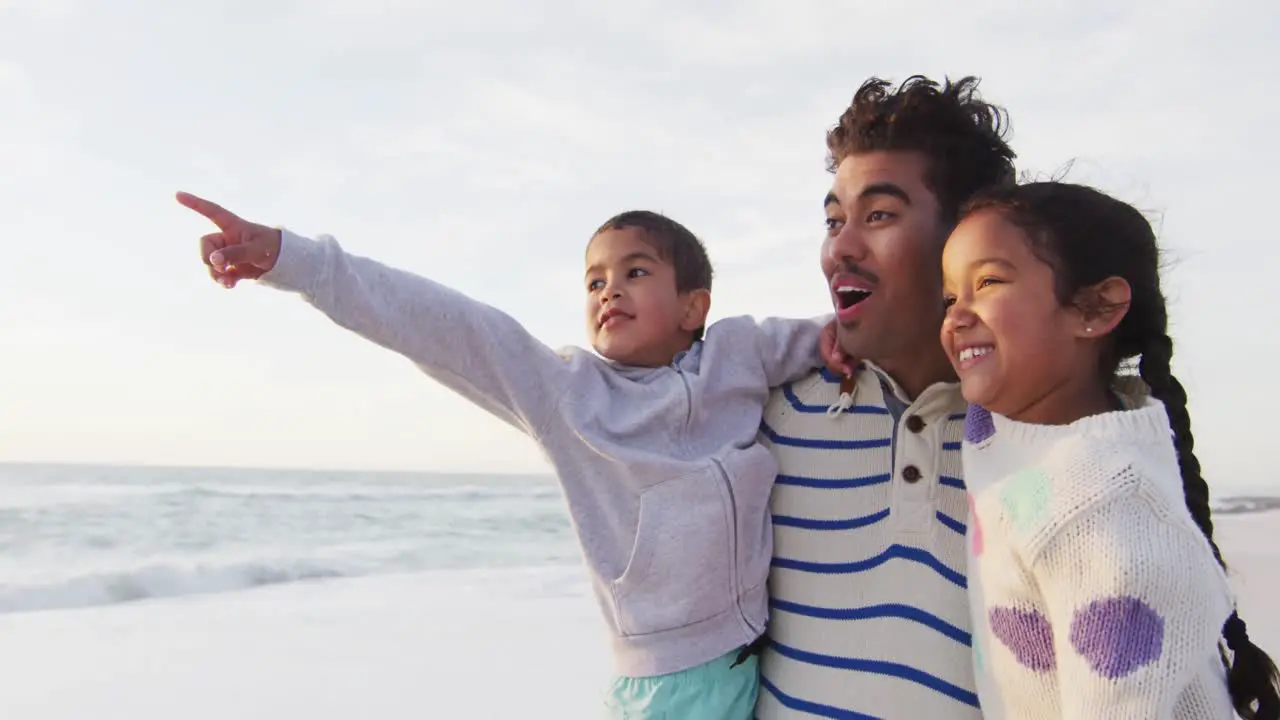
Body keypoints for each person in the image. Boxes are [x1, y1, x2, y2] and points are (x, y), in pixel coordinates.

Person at [176, 196, 841, 719]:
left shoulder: (740, 352)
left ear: (694, 306)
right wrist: (297, 263)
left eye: (635, 272)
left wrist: (844, 342)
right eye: (594, 281)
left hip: (750, 658)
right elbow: (446, 325)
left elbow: (837, 335)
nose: (609, 291)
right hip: (663, 685)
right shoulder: (568, 393)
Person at [943, 181, 1280, 718]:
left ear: (1095, 309)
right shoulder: (1005, 425)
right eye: (950, 297)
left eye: (987, 282)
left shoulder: (1108, 515)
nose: (956, 316)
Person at [755, 75, 1017, 718]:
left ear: (965, 241)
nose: (839, 248)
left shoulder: (1038, 434)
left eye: (879, 216)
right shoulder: (773, 414)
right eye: (833, 220)